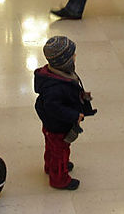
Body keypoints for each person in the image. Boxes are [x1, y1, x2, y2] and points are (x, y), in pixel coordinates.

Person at [34, 36, 95, 190]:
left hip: (51, 125)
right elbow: (54, 108)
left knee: (52, 147)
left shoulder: (58, 74)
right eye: (72, 55)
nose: (75, 57)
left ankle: (50, 166)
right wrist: (74, 115)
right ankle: (59, 179)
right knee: (61, 151)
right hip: (58, 126)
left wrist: (81, 97)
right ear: (65, 61)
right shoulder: (54, 88)